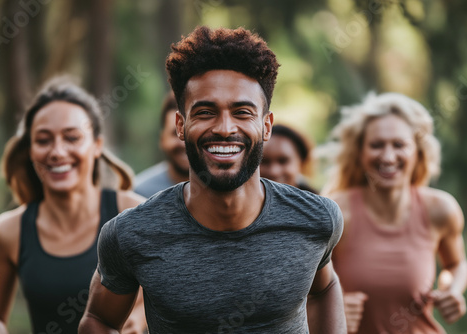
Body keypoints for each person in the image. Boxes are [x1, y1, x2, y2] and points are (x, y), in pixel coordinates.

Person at [79, 26, 346, 333]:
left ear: (266, 125)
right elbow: (99, 320)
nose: (224, 127)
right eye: (205, 112)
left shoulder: (316, 219)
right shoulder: (130, 235)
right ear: (181, 125)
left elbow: (324, 288)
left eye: (242, 112)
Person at [0, 77, 147, 334]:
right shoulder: (4, 231)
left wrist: (139, 318)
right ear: (30, 150)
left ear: (97, 146)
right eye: (44, 140)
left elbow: (171, 297)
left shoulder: (135, 215)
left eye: (71, 137)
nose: (57, 151)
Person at [323, 92, 467, 333]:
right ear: (359, 152)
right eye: (376, 145)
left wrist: (452, 290)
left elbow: (456, 264)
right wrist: (332, 308)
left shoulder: (441, 210)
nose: (388, 156)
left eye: (399, 144)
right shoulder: (334, 213)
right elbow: (301, 286)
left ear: (417, 151)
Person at [134, 91, 190, 198]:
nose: (184, 144)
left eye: (190, 133)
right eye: (176, 133)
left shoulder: (224, 192)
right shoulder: (140, 194)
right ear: (162, 139)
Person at [260, 124, 318, 193]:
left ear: (301, 162)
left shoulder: (319, 202)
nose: (274, 171)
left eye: (283, 161)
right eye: (264, 161)